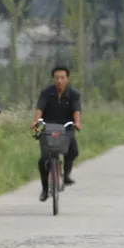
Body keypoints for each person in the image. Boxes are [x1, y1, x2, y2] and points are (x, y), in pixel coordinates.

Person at [31, 65, 83, 202]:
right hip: (48, 127)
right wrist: (35, 122)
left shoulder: (74, 94)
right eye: (56, 78)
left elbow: (76, 110)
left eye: (62, 78)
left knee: (73, 151)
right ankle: (44, 189)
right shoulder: (46, 93)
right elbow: (39, 108)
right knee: (43, 160)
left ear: (67, 79)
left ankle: (66, 175)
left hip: (66, 127)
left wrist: (77, 122)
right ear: (53, 79)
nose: (59, 81)